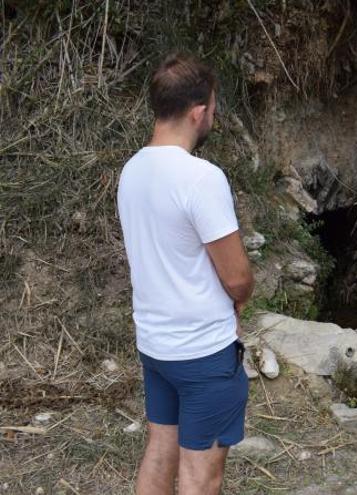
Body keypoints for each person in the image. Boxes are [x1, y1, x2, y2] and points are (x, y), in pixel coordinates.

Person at [118, 53, 254, 495]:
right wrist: (241, 295)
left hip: (156, 346)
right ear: (198, 112)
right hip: (203, 353)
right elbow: (236, 278)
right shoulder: (201, 178)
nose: (213, 115)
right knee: (200, 475)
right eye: (213, 108)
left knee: (161, 448)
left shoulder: (131, 170)